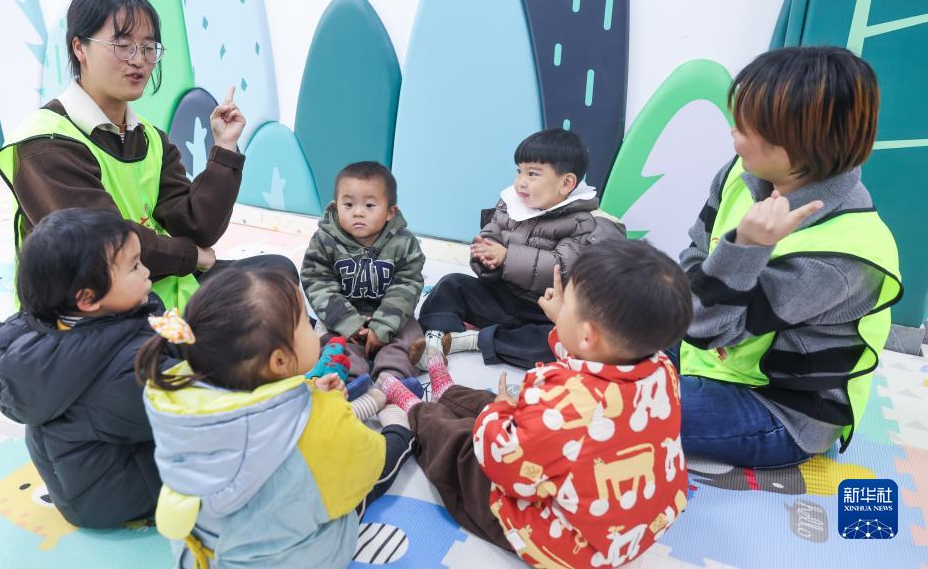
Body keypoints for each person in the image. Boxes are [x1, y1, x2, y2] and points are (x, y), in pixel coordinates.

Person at [379, 241, 691, 567]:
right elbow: (589, 362)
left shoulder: (566, 404)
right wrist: (562, 321)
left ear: (587, 335)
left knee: (465, 449)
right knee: (507, 408)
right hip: (628, 527)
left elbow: (502, 462)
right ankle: (448, 393)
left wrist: (500, 413)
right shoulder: (660, 369)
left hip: (567, 542)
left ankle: (417, 410)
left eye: (567, 303)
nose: (560, 306)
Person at [673, 46, 902, 467]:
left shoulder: (841, 257)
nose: (733, 132)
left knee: (614, 407)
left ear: (793, 147)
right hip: (707, 351)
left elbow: (702, 325)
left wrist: (745, 247)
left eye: (746, 126)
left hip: (778, 408)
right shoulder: (742, 172)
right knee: (594, 330)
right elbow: (693, 257)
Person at [136, 265, 414, 569]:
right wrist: (330, 410)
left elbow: (257, 421)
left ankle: (378, 407)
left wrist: (311, 392)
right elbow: (366, 467)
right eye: (305, 323)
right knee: (376, 466)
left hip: (202, 557)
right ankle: (400, 426)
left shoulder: (181, 401)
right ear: (280, 361)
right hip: (284, 560)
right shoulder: (323, 422)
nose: (314, 329)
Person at [0, 0, 247, 310]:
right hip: (90, 315)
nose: (139, 60)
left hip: (160, 294)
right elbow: (102, 246)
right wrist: (190, 255)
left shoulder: (151, 138)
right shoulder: (44, 144)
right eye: (123, 45)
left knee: (275, 276)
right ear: (79, 48)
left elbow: (197, 227)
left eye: (148, 47)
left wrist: (224, 150)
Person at [0, 208, 178, 528]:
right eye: (134, 266)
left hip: (86, 483)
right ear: (87, 299)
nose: (147, 272)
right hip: (121, 495)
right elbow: (190, 410)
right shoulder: (120, 372)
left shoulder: (52, 325)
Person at [411, 128, 625, 370]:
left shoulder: (588, 223)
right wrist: (486, 257)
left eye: (532, 174)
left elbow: (562, 268)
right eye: (519, 171)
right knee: (452, 284)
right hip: (504, 296)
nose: (521, 182)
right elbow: (492, 232)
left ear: (566, 183)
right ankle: (435, 336)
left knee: (558, 343)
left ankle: (475, 340)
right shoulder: (512, 204)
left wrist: (506, 258)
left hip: (545, 310)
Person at [301, 162, 426, 382]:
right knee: (333, 344)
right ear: (336, 207)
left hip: (391, 314)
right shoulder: (324, 240)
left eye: (369, 205)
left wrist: (383, 326)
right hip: (341, 314)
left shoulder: (404, 243)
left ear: (390, 212)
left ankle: (392, 379)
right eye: (348, 205)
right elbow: (317, 283)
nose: (358, 212)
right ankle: (348, 380)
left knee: (409, 337)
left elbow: (407, 286)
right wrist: (347, 322)